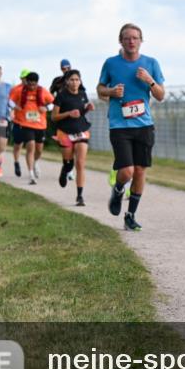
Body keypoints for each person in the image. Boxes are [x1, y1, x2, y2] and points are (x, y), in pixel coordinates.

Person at [97, 22, 165, 231]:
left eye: (135, 38)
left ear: (141, 41)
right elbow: (100, 89)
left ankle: (131, 215)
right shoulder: (111, 63)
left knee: (140, 171)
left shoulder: (151, 63)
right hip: (119, 125)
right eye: (127, 38)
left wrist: (149, 81)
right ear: (121, 41)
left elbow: (161, 95)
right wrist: (111, 92)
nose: (131, 41)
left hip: (144, 124)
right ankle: (118, 190)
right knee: (126, 171)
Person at [52, 69, 94, 206]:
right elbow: (54, 117)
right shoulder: (61, 96)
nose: (75, 82)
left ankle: (80, 195)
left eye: (77, 79)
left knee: (80, 163)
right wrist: (69, 113)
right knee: (69, 163)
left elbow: (81, 112)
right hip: (65, 132)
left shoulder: (83, 94)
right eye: (72, 80)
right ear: (67, 82)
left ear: (80, 81)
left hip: (81, 130)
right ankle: (65, 170)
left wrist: (88, 109)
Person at [9, 72, 53, 184]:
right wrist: (16, 106)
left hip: (40, 124)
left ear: (37, 83)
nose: (32, 87)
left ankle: (36, 162)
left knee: (39, 150)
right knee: (30, 146)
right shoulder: (20, 90)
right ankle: (31, 175)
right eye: (30, 84)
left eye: (34, 84)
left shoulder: (42, 91)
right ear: (26, 82)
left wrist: (47, 108)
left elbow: (53, 102)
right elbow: (10, 101)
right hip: (26, 124)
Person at [10, 69, 31, 177]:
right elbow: (10, 102)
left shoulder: (34, 89)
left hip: (31, 123)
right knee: (18, 145)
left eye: (28, 78)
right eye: (24, 78)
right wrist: (14, 108)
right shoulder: (16, 89)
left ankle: (32, 167)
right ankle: (16, 162)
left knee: (30, 145)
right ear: (21, 78)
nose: (26, 80)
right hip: (18, 121)